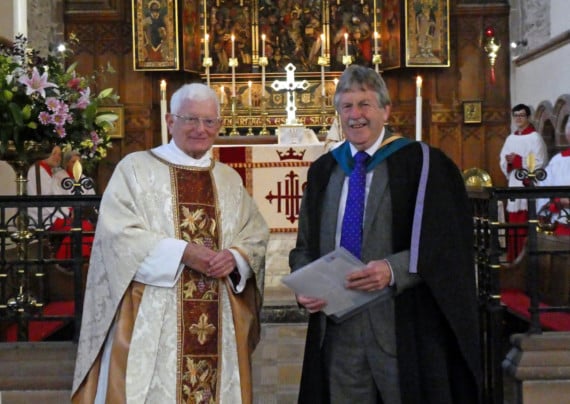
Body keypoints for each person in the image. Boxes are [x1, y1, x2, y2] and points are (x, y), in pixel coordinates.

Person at [289, 65, 482, 403]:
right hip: (339, 328)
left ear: (386, 110)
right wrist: (305, 284)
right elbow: (304, 245)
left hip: (401, 322)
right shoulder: (324, 170)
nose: (356, 115)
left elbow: (447, 243)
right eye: (347, 106)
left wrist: (393, 270)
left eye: (365, 104)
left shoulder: (422, 164)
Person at [71, 83, 269, 403]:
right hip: (154, 315)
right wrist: (183, 253)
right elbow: (117, 234)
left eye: (209, 121)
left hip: (218, 314)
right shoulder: (135, 169)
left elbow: (254, 233)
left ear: (219, 125)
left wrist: (235, 257)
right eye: (190, 119)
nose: (200, 129)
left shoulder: (228, 178)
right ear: (170, 121)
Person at [499, 104, 548, 261]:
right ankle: (514, 258)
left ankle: (527, 260)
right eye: (516, 115)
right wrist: (508, 162)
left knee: (527, 222)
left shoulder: (535, 138)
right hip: (515, 183)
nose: (518, 118)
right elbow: (502, 160)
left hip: (530, 183)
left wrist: (519, 160)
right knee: (514, 223)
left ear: (528, 117)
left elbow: (540, 161)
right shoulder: (510, 138)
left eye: (521, 115)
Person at [51, 150, 96, 261]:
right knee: (84, 227)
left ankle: (84, 260)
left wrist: (89, 211)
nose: (76, 164)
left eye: (79, 162)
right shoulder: (58, 177)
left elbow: (91, 199)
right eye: (73, 162)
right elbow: (55, 199)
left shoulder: (84, 178)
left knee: (88, 226)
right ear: (66, 163)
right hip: (63, 216)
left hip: (83, 215)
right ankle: (78, 260)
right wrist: (70, 212)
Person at [537, 119, 570, 235]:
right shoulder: (557, 161)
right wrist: (558, 202)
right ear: (568, 136)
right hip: (562, 224)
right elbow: (544, 192)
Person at [26, 145, 64, 227]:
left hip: (51, 215)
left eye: (59, 155)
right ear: (45, 154)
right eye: (54, 153)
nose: (57, 157)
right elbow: (48, 198)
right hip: (45, 219)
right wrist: (67, 213)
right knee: (84, 226)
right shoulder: (37, 170)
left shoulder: (47, 170)